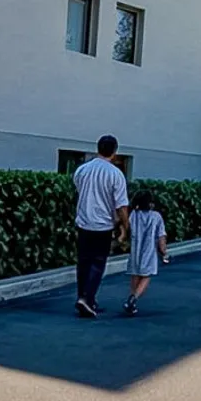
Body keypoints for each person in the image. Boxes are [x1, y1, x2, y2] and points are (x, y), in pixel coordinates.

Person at [72, 135, 130, 319]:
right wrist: (125, 226)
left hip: (83, 222)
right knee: (98, 263)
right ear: (114, 152)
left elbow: (79, 191)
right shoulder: (115, 174)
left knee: (83, 262)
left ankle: (84, 297)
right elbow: (121, 205)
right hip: (103, 225)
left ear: (98, 148)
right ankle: (87, 299)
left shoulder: (82, 170)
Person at [123, 191, 167, 317]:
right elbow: (161, 236)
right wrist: (164, 252)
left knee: (135, 274)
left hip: (135, 249)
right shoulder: (156, 216)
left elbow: (128, 227)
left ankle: (131, 300)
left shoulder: (134, 215)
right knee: (146, 275)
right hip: (149, 251)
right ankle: (133, 299)